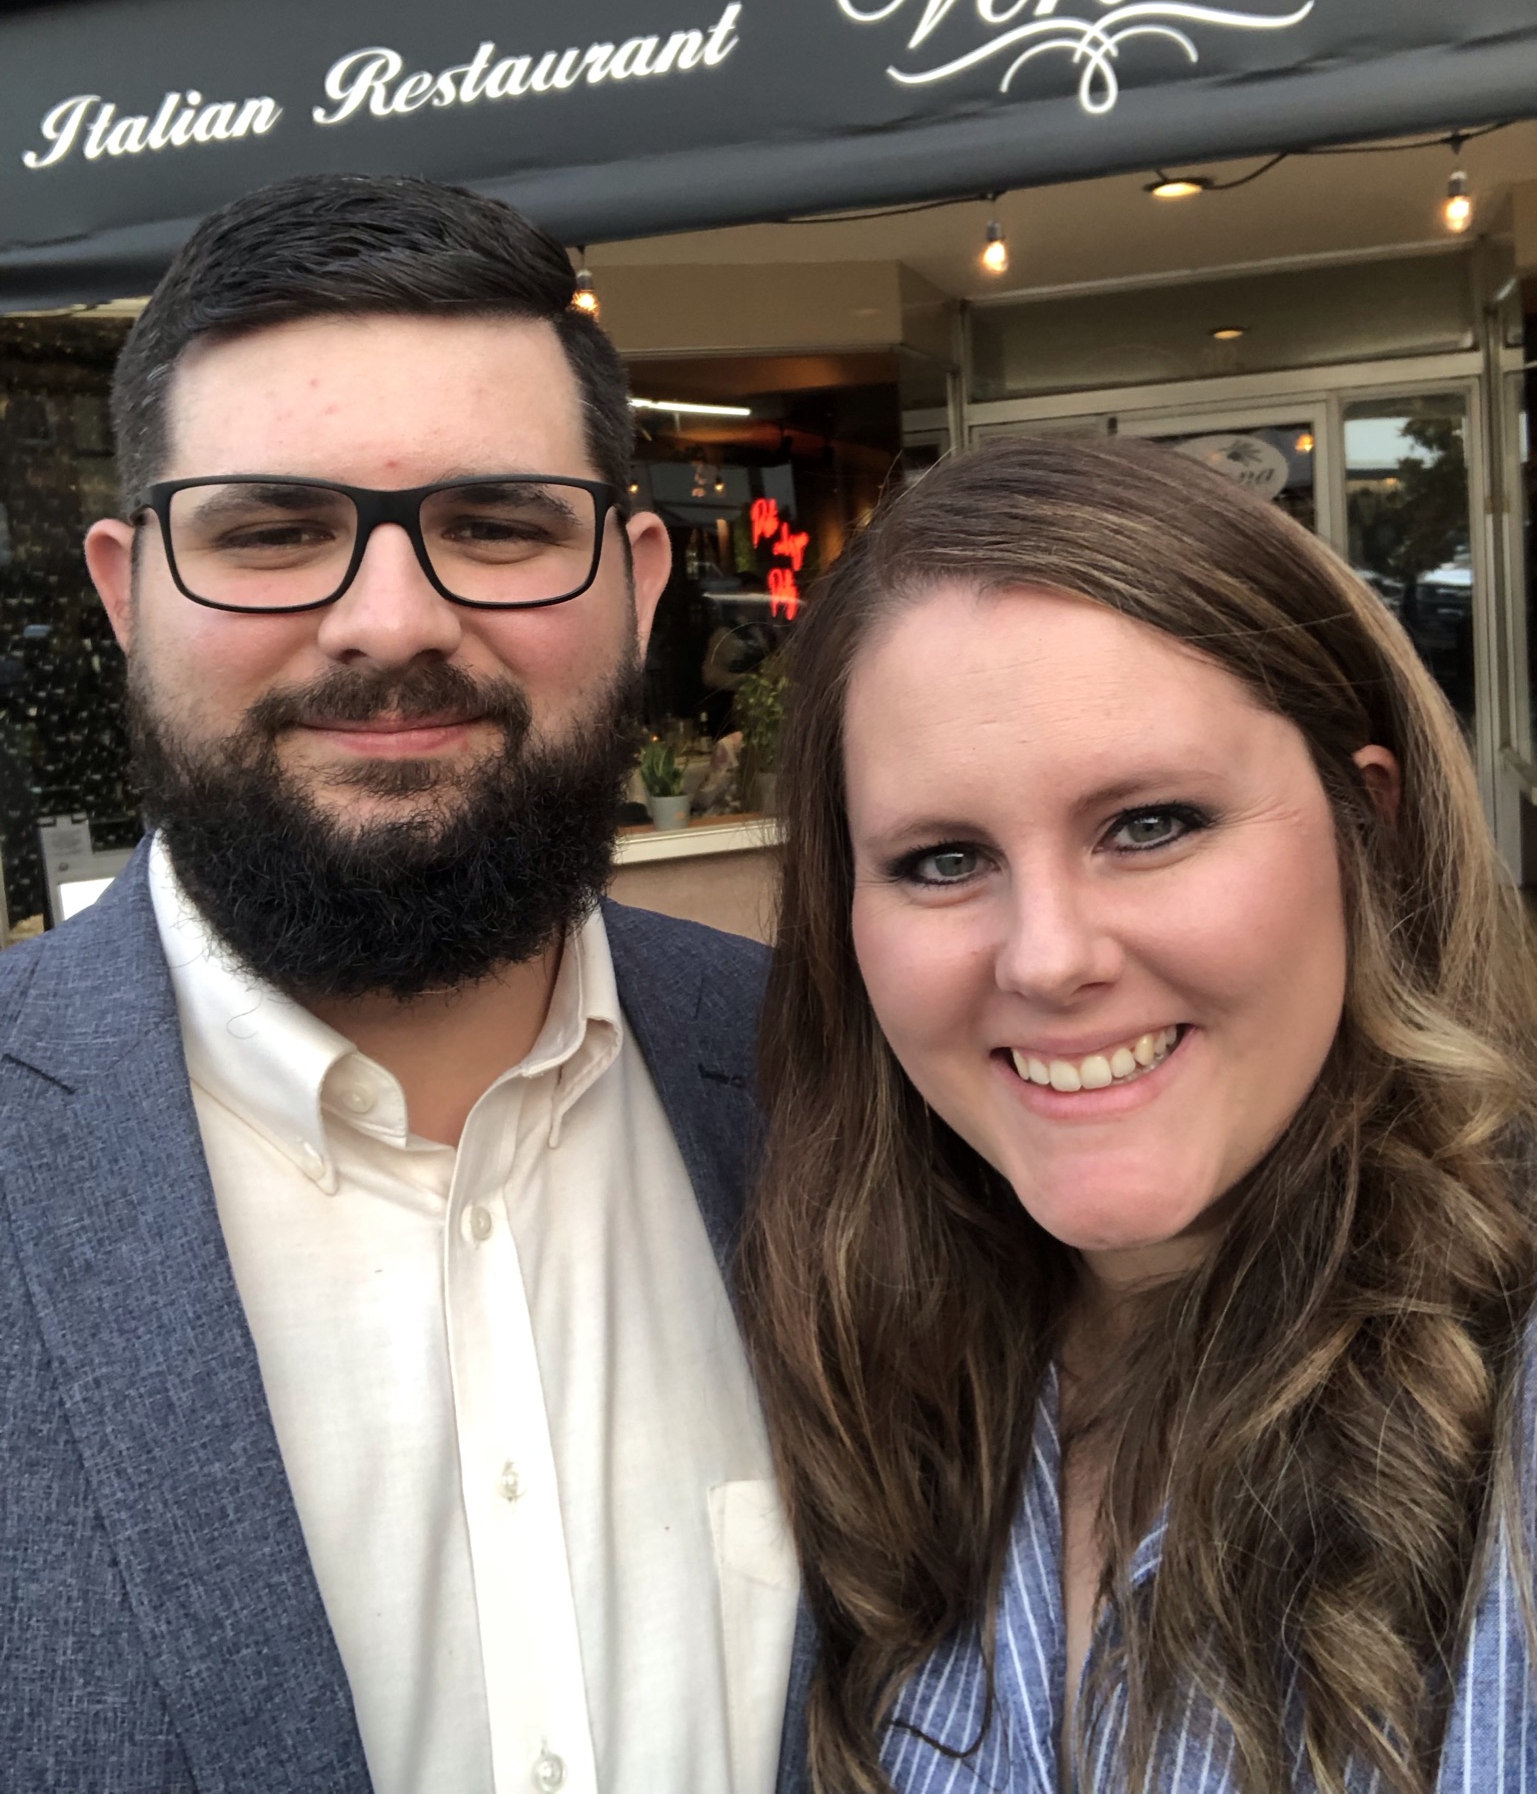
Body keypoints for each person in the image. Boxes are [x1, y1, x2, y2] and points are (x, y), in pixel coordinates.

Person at [0, 174, 805, 1794]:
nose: (390, 621)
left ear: (639, 578)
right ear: (125, 591)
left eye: (497, 525)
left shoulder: (833, 1079)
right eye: (271, 532)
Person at [738, 436, 1537, 1794]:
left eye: (1151, 824)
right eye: (941, 858)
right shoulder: (859, 1379)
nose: (1047, 958)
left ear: (1372, 828)